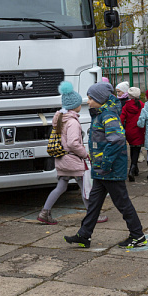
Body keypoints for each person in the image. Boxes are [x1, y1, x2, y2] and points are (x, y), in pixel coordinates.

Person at [64, 81, 146, 249]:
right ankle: (84, 235)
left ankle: (138, 236)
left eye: (90, 98)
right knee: (94, 203)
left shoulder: (108, 115)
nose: (88, 101)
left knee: (122, 203)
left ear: (100, 99)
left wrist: (106, 163)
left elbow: (116, 140)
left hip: (110, 169)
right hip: (101, 170)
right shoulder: (100, 114)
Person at [37, 81, 107, 225]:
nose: (82, 105)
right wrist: (84, 154)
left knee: (61, 186)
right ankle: (93, 215)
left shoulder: (60, 118)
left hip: (62, 159)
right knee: (85, 187)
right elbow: (73, 143)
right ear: (75, 106)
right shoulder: (73, 122)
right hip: (74, 160)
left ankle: (45, 212)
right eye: (80, 103)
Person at [120, 86, 145, 182]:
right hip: (139, 129)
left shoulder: (126, 106)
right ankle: (132, 169)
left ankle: (135, 169)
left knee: (132, 148)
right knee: (137, 148)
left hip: (129, 130)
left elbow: (122, 118)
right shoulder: (142, 105)